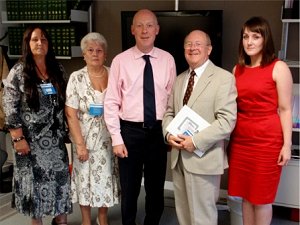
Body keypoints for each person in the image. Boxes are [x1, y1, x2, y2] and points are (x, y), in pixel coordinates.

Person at [104, 9, 176, 225]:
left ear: (157, 30)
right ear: (132, 29)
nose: (145, 30)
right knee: (130, 187)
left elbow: (172, 100)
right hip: (130, 132)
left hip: (158, 131)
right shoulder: (120, 61)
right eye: (140, 25)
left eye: (149, 25)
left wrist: (169, 131)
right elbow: (111, 102)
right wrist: (117, 139)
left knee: (156, 188)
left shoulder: (167, 59)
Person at [162, 30, 237, 225]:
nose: (192, 48)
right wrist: (168, 134)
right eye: (188, 44)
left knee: (203, 218)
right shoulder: (179, 79)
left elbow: (226, 121)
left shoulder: (223, 78)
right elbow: (169, 113)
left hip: (204, 159)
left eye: (198, 44)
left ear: (209, 49)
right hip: (179, 159)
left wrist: (195, 141)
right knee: (184, 216)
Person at [2, 25, 72, 225]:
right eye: (35, 40)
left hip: (55, 139)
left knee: (60, 181)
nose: (40, 43)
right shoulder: (18, 71)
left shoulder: (57, 69)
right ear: (28, 44)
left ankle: (61, 221)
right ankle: (37, 222)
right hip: (29, 142)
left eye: (43, 39)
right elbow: (9, 105)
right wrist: (18, 137)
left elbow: (66, 100)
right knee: (35, 185)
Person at [228, 17, 293, 225]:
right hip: (241, 142)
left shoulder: (278, 67)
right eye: (245, 36)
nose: (249, 42)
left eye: (256, 36)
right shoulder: (237, 70)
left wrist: (287, 145)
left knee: (262, 199)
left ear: (265, 39)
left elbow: (285, 109)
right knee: (246, 196)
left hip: (267, 142)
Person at [65, 32, 120, 225]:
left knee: (105, 178)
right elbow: (70, 112)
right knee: (84, 180)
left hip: (108, 139)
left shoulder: (114, 73)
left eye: (99, 50)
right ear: (84, 54)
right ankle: (86, 220)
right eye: (90, 50)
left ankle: (102, 217)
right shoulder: (76, 78)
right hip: (84, 139)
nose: (95, 53)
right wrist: (79, 144)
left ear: (105, 54)